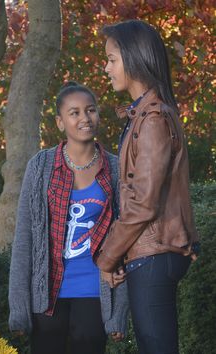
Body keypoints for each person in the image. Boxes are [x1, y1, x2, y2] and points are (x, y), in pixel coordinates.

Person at [96, 20, 199, 354]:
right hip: (149, 254)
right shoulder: (142, 116)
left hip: (154, 254)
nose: (106, 67)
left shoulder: (153, 119)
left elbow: (143, 204)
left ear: (134, 58)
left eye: (111, 59)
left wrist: (108, 259)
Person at [8, 81, 129, 354]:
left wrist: (118, 311)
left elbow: (127, 237)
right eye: (74, 113)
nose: (85, 118)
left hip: (94, 292)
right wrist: (19, 309)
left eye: (91, 110)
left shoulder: (115, 168)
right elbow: (24, 239)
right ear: (60, 122)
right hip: (47, 295)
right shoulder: (40, 166)